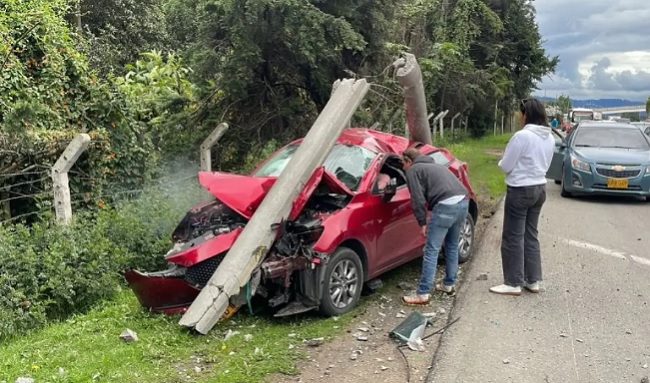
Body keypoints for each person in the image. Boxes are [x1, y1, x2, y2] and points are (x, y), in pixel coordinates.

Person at [490, 98, 555, 296]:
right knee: (530, 235)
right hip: (539, 188)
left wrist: (502, 162)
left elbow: (506, 165)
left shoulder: (522, 137)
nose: (519, 116)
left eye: (521, 113)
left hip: (520, 189)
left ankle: (512, 282)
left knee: (512, 236)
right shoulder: (549, 137)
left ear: (526, 114)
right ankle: (532, 280)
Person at [400, 148, 469, 304]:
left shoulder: (413, 170)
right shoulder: (437, 166)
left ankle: (423, 293)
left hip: (446, 206)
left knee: (431, 249)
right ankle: (448, 284)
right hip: (463, 202)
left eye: (402, 163)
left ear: (409, 161)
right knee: (451, 245)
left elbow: (417, 199)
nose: (402, 167)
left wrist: (422, 223)